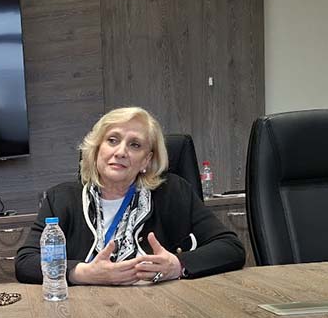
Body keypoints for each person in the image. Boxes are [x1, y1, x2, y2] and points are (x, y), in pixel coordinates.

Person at [15, 107, 245, 285]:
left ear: (146, 160)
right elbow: (26, 262)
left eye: (135, 145)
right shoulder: (61, 199)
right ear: (96, 150)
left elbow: (231, 247)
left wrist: (177, 265)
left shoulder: (173, 192)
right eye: (112, 140)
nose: (121, 152)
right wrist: (82, 273)